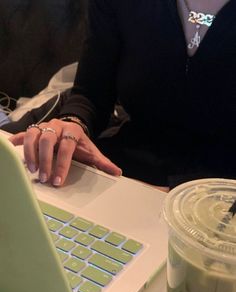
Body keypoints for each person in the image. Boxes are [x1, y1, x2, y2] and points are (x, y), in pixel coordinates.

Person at [5, 0, 236, 189]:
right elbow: (91, 93)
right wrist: (73, 123)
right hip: (126, 167)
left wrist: (179, 192)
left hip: (220, 194)